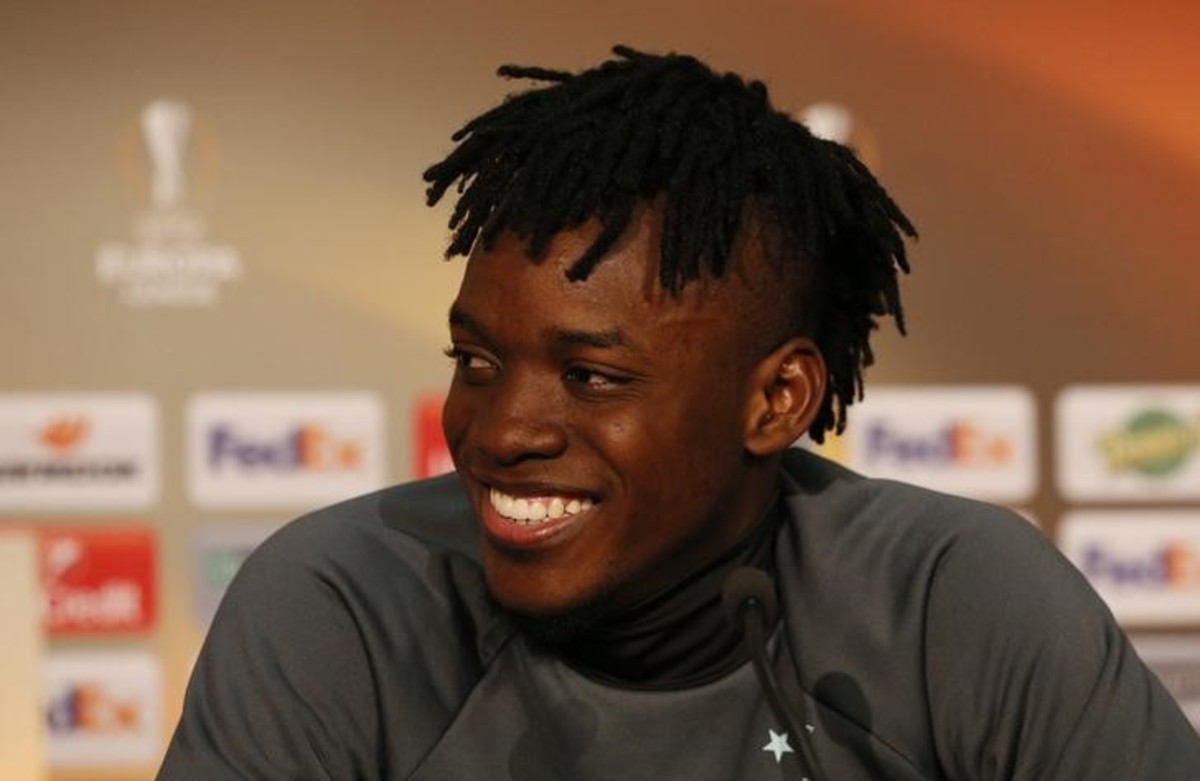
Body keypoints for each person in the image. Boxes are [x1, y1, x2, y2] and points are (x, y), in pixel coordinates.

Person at [159, 46, 1200, 779]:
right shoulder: (339, 605)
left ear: (776, 400)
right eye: (475, 361)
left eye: (592, 377)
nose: (501, 432)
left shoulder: (951, 603)